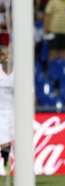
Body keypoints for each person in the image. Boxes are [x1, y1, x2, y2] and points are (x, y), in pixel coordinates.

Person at [0, 47, 14, 175]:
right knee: (3, 140)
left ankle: (4, 165)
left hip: (14, 112)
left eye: (8, 55)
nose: (6, 57)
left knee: (8, 141)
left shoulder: (17, 73)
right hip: (0, 111)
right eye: (4, 55)